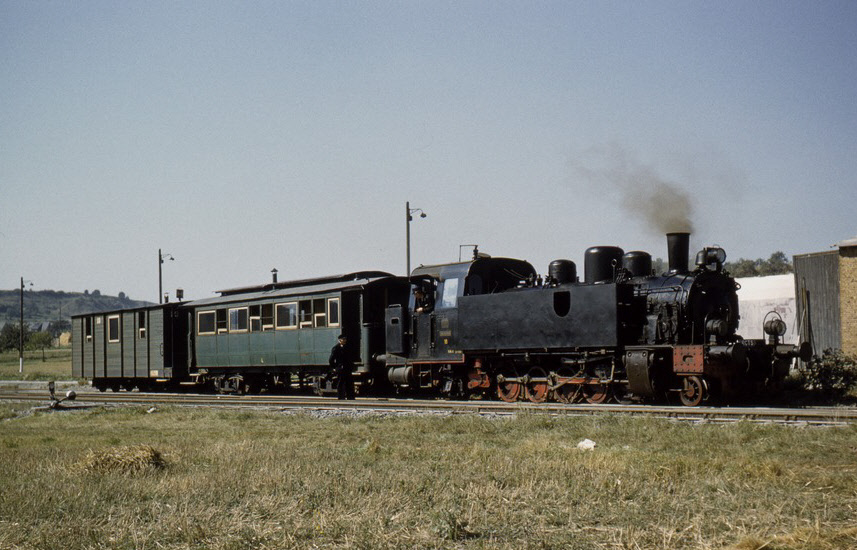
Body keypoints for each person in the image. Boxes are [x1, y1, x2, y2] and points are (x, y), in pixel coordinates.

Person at [328, 333, 355, 400]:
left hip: (347, 368)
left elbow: (350, 357)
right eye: (343, 339)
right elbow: (331, 359)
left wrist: (351, 365)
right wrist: (335, 367)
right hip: (340, 368)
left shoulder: (348, 347)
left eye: (345, 339)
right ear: (340, 340)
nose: (345, 340)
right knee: (341, 383)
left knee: (349, 383)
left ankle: (350, 397)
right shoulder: (336, 348)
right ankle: (341, 397)